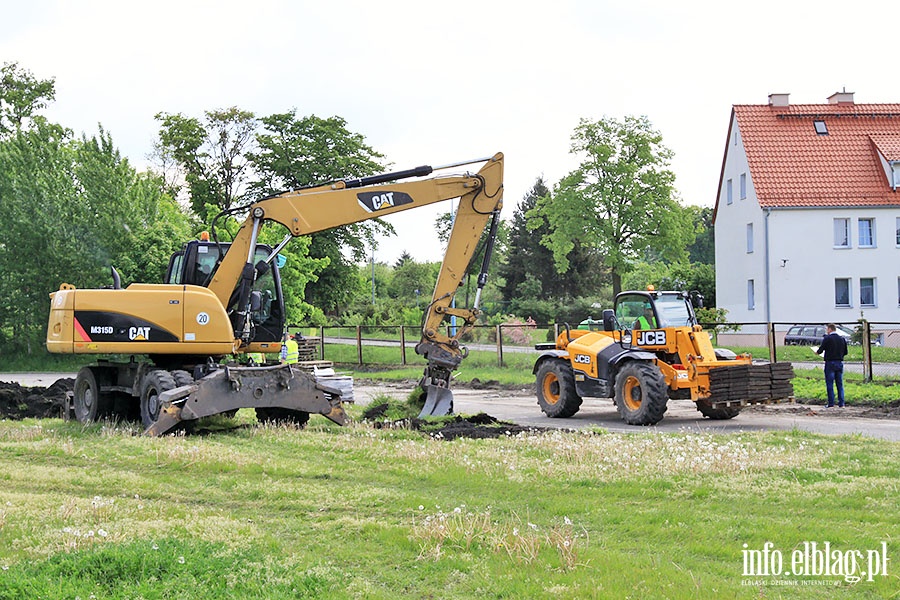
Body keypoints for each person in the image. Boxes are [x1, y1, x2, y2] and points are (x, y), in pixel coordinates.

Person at [815, 323, 848, 407]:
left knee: (830, 383)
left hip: (830, 363)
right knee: (839, 384)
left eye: (827, 329)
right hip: (839, 362)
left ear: (830, 329)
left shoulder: (827, 338)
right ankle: (841, 403)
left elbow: (821, 350)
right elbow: (845, 352)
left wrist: (817, 352)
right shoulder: (842, 339)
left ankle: (831, 403)